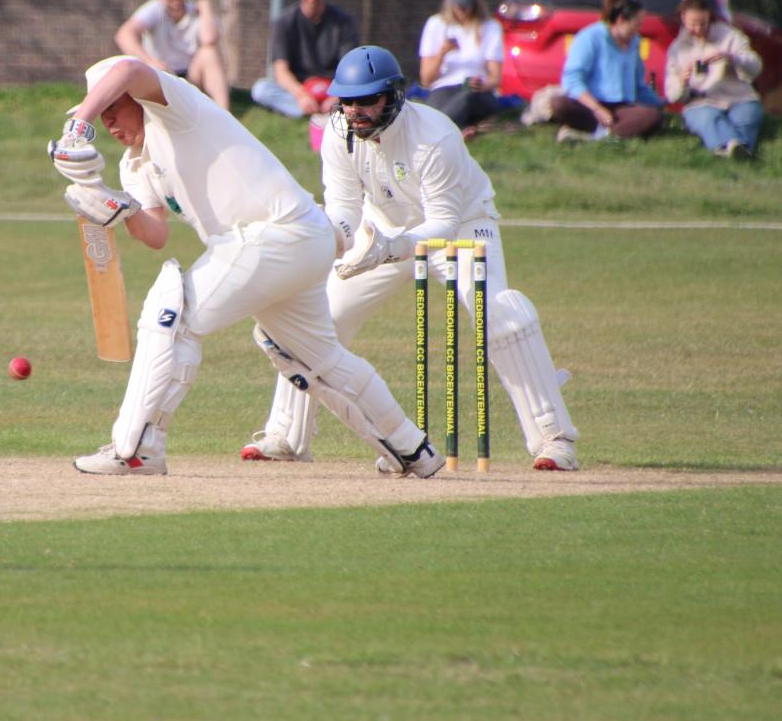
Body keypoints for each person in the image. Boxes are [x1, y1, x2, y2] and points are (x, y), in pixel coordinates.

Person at [48, 55, 447, 478]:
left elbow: (129, 69)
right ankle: (412, 449)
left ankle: (135, 449)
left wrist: (79, 125)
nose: (109, 123)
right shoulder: (135, 164)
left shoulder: (177, 106)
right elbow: (156, 234)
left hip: (278, 232)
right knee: (318, 359)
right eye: (101, 114)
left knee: (173, 314)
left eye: (113, 108)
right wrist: (115, 205)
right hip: (294, 244)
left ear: (138, 100)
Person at [240, 45, 580, 472]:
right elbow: (344, 210)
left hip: (461, 228)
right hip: (379, 227)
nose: (356, 110)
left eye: (367, 100)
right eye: (348, 100)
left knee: (497, 315)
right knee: (321, 314)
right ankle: (287, 434)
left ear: (392, 96)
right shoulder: (337, 132)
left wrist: (391, 246)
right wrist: (329, 241)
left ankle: (555, 439)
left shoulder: (434, 137)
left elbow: (441, 221)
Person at [549, 0, 664, 142]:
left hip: (622, 108)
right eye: (636, 25)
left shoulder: (634, 42)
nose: (639, 30)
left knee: (652, 116)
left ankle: (598, 136)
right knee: (559, 104)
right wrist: (597, 109)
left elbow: (639, 85)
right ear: (620, 20)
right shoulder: (590, 37)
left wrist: (660, 103)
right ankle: (609, 133)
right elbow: (572, 80)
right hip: (590, 105)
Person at [250, 0, 360, 119]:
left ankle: (328, 109)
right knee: (261, 89)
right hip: (300, 88)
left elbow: (350, 70)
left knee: (361, 90)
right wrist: (301, 95)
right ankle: (313, 111)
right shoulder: (284, 22)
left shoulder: (344, 23)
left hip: (333, 89)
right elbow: (281, 71)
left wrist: (336, 97)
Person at [663, 0, 764, 158]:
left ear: (710, 16)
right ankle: (737, 148)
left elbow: (756, 67)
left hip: (739, 97)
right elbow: (673, 95)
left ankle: (730, 149)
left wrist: (732, 57)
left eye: (703, 23)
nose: (698, 29)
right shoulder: (677, 49)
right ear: (683, 18)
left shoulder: (731, 36)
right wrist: (683, 82)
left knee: (747, 117)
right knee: (706, 118)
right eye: (693, 24)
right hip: (702, 102)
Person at [114, 0, 231, 110]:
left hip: (191, 76)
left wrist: (206, 9)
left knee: (209, 53)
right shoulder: (155, 9)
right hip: (161, 75)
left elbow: (209, 40)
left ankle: (224, 113)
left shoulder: (195, 10)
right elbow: (124, 35)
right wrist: (150, 62)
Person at [417, 0, 505, 131]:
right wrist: (442, 53)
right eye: (458, 5)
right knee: (441, 102)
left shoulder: (491, 27)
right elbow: (426, 80)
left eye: (466, 5)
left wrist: (482, 84)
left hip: (475, 89)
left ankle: (438, 130)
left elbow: (495, 78)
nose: (462, 9)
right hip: (444, 87)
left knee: (467, 96)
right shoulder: (435, 24)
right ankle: (453, 127)